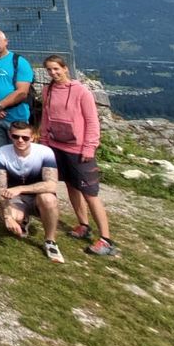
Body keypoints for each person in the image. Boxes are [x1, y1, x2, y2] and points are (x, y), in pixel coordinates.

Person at [40, 55, 119, 257]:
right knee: (70, 186)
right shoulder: (47, 90)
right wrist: (44, 141)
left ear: (65, 69)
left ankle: (106, 239)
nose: (53, 73)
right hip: (56, 146)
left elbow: (92, 121)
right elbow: (46, 117)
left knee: (90, 193)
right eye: (49, 70)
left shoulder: (81, 91)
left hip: (78, 149)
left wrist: (89, 147)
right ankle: (83, 224)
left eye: (56, 69)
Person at [0, 120, 64, 261]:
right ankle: (22, 219)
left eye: (25, 137)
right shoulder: (1, 153)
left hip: (37, 196)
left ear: (33, 137)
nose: (20, 140)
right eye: (15, 136)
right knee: (12, 218)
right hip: (16, 198)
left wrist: (20, 188)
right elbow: (1, 188)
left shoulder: (44, 152)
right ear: (9, 135)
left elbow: (52, 185)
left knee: (48, 199)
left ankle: (50, 241)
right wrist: (7, 217)